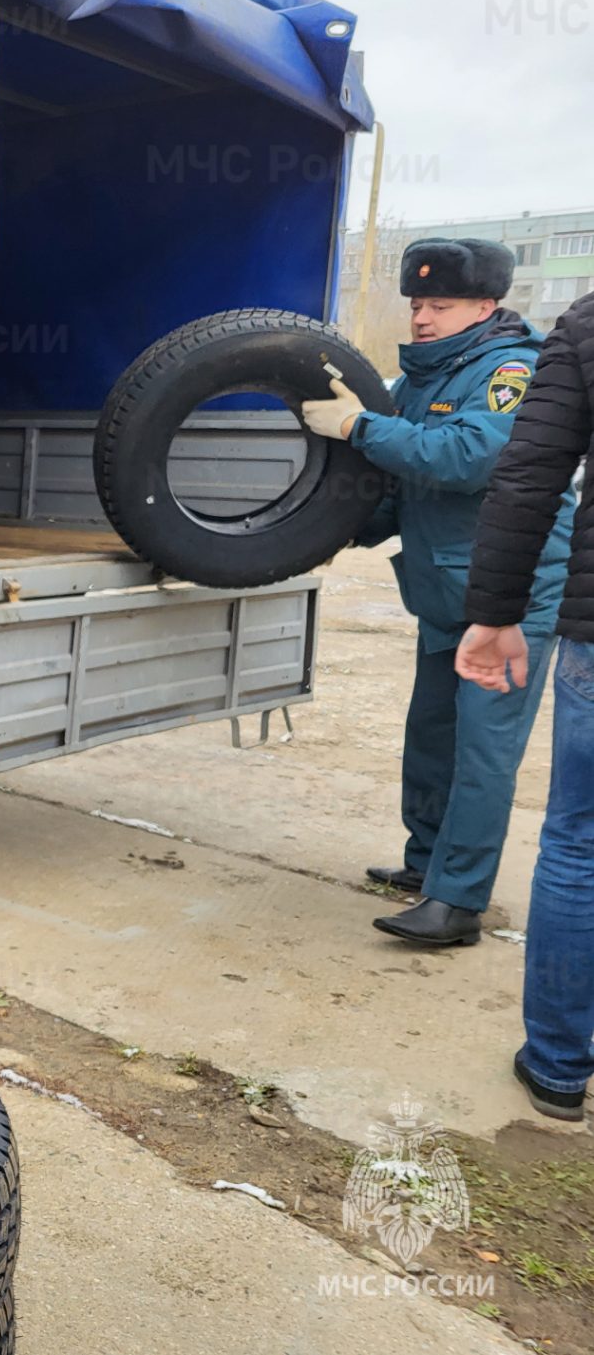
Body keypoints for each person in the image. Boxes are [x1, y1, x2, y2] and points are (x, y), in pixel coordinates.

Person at [302, 237, 572, 945]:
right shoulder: (417, 380)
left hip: (513, 593)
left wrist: (362, 425)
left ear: (487, 304)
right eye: (417, 304)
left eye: (440, 305)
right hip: (444, 590)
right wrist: (324, 531)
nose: (421, 317)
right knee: (430, 740)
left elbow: (466, 458)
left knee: (483, 751)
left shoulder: (513, 371)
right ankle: (426, 864)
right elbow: (400, 491)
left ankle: (458, 902)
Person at [455, 289, 594, 1123]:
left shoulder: (584, 322)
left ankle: (557, 1067)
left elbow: (529, 474)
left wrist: (495, 611)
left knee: (579, 840)